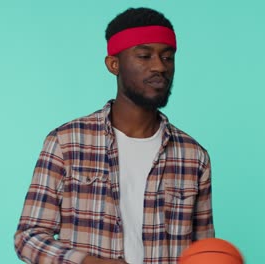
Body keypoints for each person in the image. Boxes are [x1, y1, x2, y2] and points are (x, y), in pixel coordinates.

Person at [14, 7, 215, 264]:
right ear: (114, 64)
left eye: (168, 57)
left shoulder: (194, 156)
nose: (159, 67)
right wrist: (88, 262)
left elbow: (204, 251)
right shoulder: (66, 143)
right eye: (144, 56)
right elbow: (28, 237)